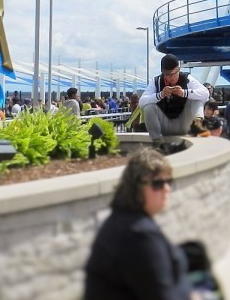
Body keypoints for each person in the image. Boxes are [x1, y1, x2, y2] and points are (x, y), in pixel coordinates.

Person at [84, 148, 192, 299]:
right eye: (157, 183)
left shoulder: (127, 219)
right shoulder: (139, 235)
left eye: (169, 182)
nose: (166, 189)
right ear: (136, 188)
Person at [138, 54, 210, 143]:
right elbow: (141, 102)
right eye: (168, 74)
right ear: (163, 72)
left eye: (174, 73)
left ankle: (198, 126)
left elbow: (205, 93)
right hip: (164, 126)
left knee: (196, 98)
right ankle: (157, 142)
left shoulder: (187, 78)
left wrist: (184, 93)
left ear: (179, 69)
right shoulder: (156, 81)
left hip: (185, 123)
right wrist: (160, 95)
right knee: (148, 107)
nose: (171, 77)